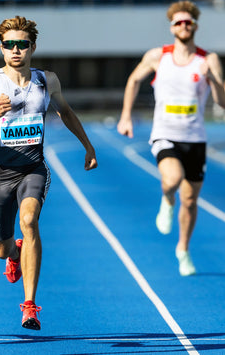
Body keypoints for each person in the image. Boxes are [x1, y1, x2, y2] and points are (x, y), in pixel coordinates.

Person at [0, 16, 97, 330]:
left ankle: (29, 306)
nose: (16, 50)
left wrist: (88, 147)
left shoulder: (46, 80)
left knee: (29, 221)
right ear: (1, 48)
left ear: (32, 47)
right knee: (1, 249)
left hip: (33, 169)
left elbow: (66, 112)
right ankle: (14, 253)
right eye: (9, 44)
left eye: (22, 44)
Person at [117, 1, 225, 277]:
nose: (184, 26)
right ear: (172, 27)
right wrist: (126, 116)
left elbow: (221, 102)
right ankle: (167, 199)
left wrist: (213, 78)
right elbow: (133, 81)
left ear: (195, 26)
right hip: (165, 134)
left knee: (190, 201)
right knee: (172, 179)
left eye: (188, 22)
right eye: (179, 22)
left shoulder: (208, 59)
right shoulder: (157, 56)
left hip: (195, 139)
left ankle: (183, 250)